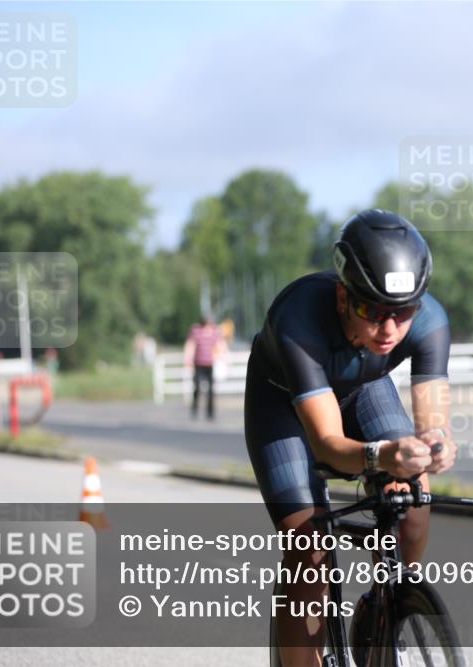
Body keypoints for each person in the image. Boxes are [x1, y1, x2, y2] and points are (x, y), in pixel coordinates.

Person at [244, 209, 457, 666]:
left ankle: (390, 606)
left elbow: (432, 421)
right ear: (344, 296)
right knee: (309, 544)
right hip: (283, 405)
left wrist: (433, 447)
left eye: (402, 313)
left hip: (363, 388)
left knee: (415, 503)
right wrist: (384, 455)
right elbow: (326, 444)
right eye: (373, 311)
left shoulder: (430, 320)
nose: (389, 329)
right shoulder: (298, 317)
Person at [184, 315, 227, 420]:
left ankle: (210, 413)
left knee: (211, 390)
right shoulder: (196, 331)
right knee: (197, 387)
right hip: (198, 364)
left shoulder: (214, 333)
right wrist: (187, 359)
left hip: (209, 364)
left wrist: (224, 358)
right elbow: (190, 345)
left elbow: (221, 345)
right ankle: (194, 409)